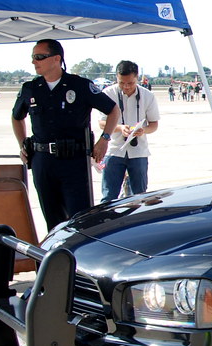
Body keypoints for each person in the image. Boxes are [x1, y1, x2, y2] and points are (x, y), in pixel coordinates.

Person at [12, 39, 120, 230]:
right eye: (33, 57)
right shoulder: (31, 88)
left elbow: (113, 110)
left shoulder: (80, 86)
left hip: (73, 162)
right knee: (52, 221)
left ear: (56, 59)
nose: (34, 61)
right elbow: (16, 117)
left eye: (39, 57)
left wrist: (104, 140)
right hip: (42, 161)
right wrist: (22, 144)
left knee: (81, 220)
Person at [99, 60, 161, 202]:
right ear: (116, 77)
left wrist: (142, 130)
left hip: (138, 152)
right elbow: (102, 123)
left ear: (137, 78)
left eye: (130, 83)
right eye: (121, 83)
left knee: (139, 197)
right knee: (109, 197)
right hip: (114, 151)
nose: (126, 87)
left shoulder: (147, 96)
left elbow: (154, 125)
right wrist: (120, 128)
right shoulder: (108, 93)